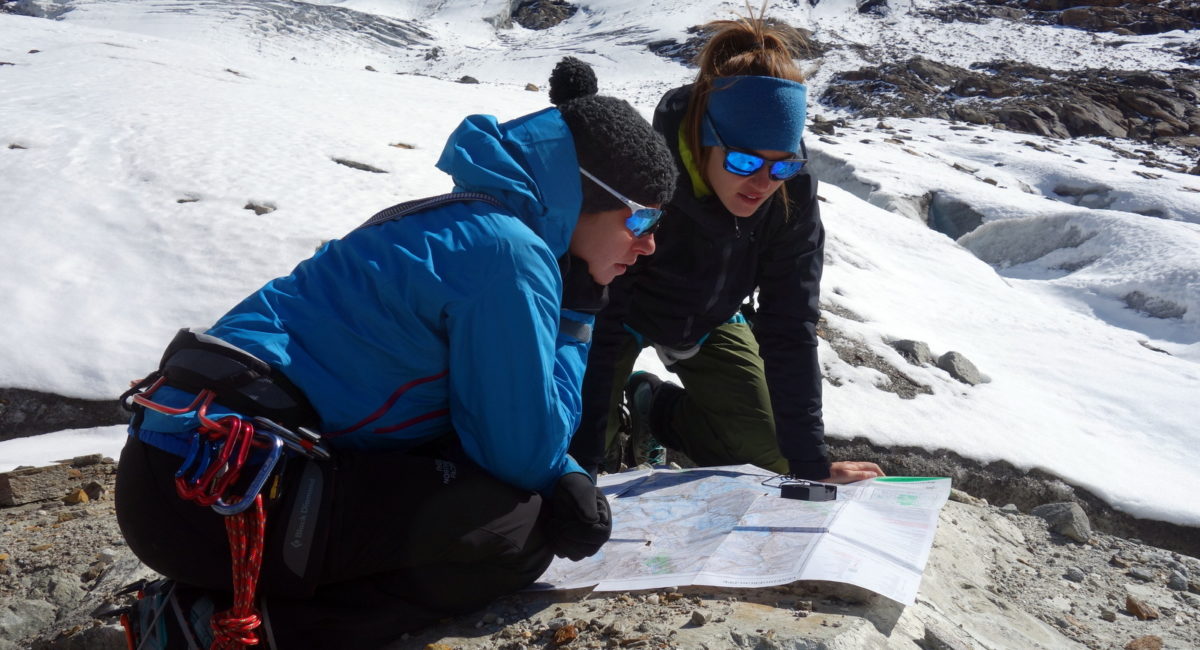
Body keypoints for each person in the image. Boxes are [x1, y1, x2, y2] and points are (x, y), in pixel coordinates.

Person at [114, 57, 676, 649]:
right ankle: (218, 633)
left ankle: (224, 605)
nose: (649, 243)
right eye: (640, 217)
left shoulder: (456, 223)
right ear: (584, 193)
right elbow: (524, 451)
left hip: (186, 469)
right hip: (228, 501)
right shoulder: (510, 255)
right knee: (517, 531)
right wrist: (579, 313)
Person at [568, 17, 884, 484]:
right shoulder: (650, 176)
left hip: (707, 317)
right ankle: (610, 429)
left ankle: (655, 408)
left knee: (767, 453)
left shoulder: (789, 195)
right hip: (621, 313)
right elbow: (607, 310)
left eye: (780, 166)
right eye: (743, 161)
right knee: (572, 441)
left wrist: (809, 464)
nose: (761, 183)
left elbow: (790, 323)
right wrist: (587, 465)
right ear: (702, 140)